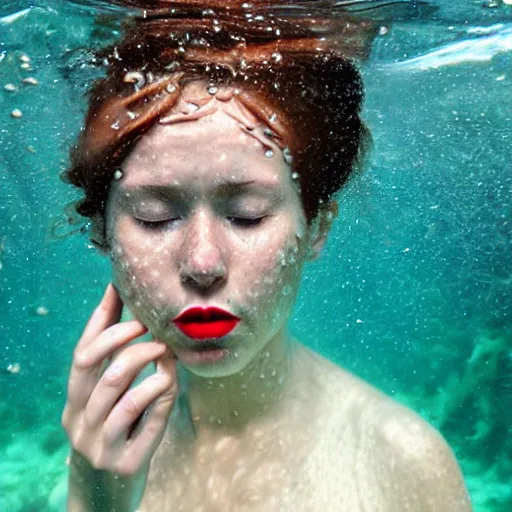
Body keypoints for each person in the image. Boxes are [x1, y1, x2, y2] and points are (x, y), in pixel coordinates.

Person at [61, 1, 472, 510]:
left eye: (249, 215)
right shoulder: (103, 448)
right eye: (153, 216)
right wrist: (93, 495)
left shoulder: (401, 464)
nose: (203, 263)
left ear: (316, 226)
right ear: (101, 231)